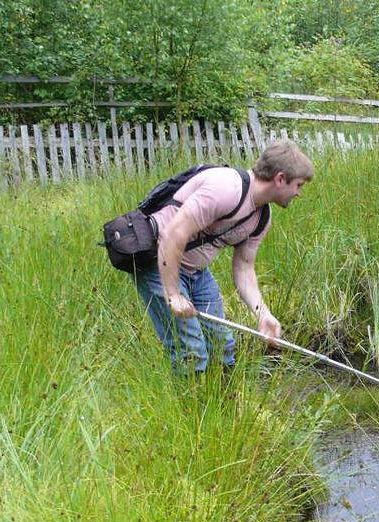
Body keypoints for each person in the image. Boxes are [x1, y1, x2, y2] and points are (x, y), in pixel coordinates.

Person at [133, 140, 313, 375]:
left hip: (197, 273)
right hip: (159, 263)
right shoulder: (227, 188)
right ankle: (191, 410)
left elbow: (244, 268)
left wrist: (263, 313)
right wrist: (173, 295)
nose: (299, 193)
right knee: (191, 350)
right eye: (298, 185)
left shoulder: (260, 218)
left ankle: (226, 407)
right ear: (280, 179)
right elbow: (171, 235)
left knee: (222, 346)